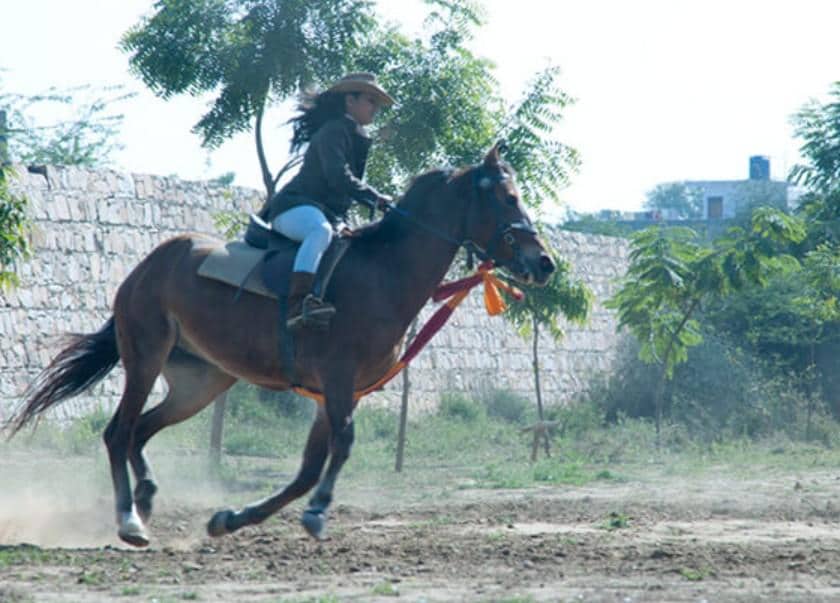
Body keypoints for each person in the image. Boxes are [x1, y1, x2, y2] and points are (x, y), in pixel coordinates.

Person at [262, 72, 395, 331]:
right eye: (370, 100)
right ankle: (298, 304)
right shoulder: (334, 130)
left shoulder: (354, 134)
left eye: (377, 103)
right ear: (350, 100)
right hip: (293, 206)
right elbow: (338, 176)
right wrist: (374, 197)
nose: (375, 109)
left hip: (325, 212)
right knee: (320, 231)